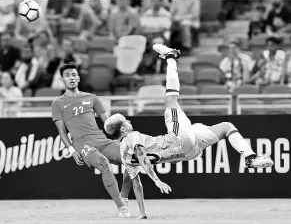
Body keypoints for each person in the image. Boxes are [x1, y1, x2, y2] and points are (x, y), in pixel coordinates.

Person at [104, 44, 274, 219]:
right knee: (171, 100)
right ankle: (171, 57)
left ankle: (251, 158)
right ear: (123, 128)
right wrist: (156, 180)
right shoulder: (131, 137)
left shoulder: (125, 158)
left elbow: (137, 185)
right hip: (178, 140)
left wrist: (143, 213)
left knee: (226, 127)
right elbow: (141, 155)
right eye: (126, 121)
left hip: (189, 153)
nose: (129, 121)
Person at [51, 62, 131, 217]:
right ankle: (121, 207)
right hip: (82, 143)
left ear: (79, 78)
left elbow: (108, 124)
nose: (71, 78)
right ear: (62, 80)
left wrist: (122, 134)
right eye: (67, 75)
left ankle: (124, 196)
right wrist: (72, 150)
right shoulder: (58, 103)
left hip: (101, 139)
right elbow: (61, 132)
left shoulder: (92, 98)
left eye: (74, 74)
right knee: (103, 163)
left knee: (130, 157)